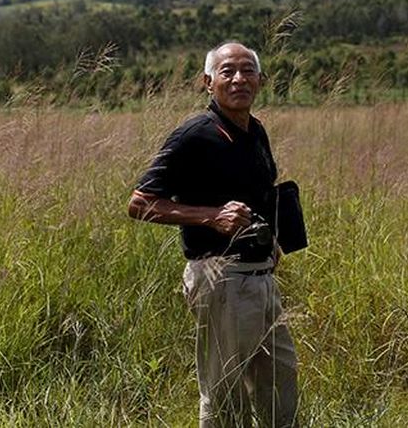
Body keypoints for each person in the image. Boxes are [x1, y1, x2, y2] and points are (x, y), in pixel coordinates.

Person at [128, 42, 299, 427]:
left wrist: (271, 238)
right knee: (225, 394)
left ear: (260, 80)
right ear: (208, 82)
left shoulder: (255, 130)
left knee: (280, 381)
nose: (239, 79)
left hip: (262, 278)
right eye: (227, 72)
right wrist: (210, 217)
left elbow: (258, 194)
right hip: (221, 279)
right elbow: (139, 203)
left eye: (247, 71)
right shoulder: (194, 135)